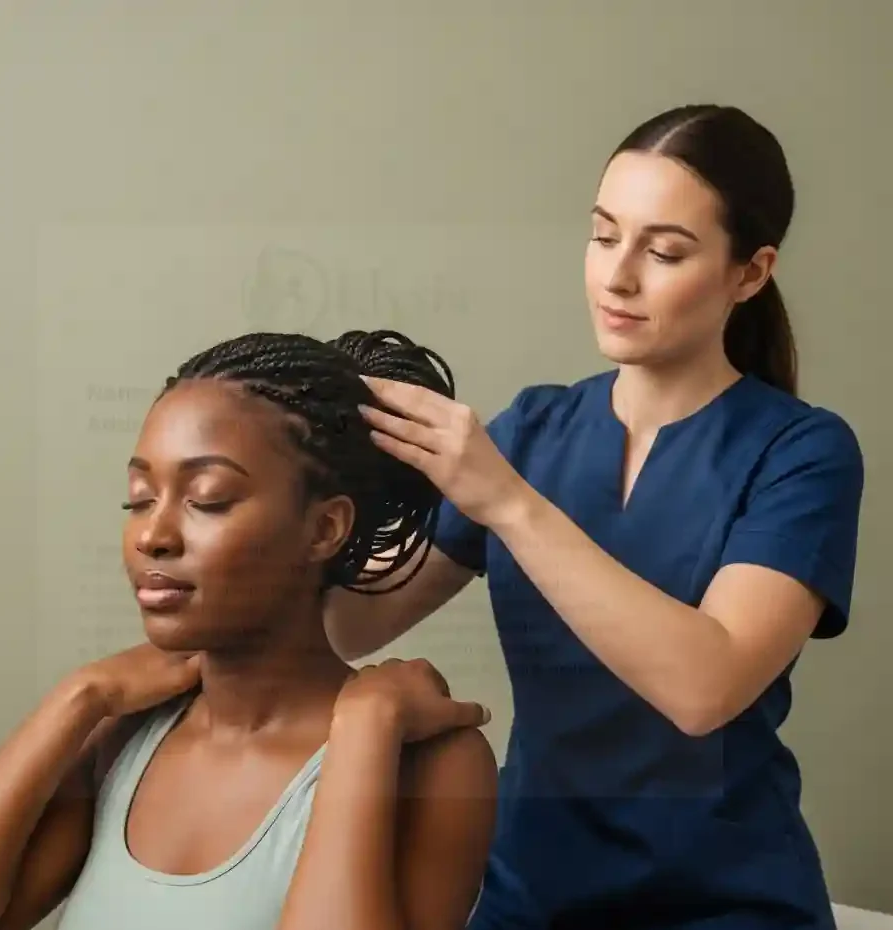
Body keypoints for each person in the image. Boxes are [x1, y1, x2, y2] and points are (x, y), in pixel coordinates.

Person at [326, 104, 866, 929]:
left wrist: (507, 501)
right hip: (527, 899)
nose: (618, 276)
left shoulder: (804, 452)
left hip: (726, 903)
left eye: (665, 250)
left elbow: (703, 686)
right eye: (604, 234)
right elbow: (351, 628)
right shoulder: (532, 431)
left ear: (749, 274)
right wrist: (293, 480)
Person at [0, 330, 499, 930]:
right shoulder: (124, 734)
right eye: (139, 498)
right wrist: (77, 700)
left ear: (323, 529)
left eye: (208, 498)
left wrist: (363, 733)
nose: (152, 535)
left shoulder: (432, 764)